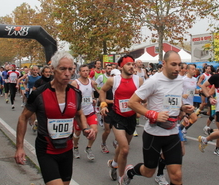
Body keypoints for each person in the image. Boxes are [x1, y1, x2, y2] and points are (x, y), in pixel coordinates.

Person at [15, 51, 96, 185]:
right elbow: (23, 118)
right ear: (53, 69)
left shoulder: (76, 93)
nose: (67, 73)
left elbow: (79, 113)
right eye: (63, 69)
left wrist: (85, 128)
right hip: (46, 150)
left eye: (70, 69)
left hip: (67, 150)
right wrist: (19, 147)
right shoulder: (39, 94)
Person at [120, 51, 194, 185]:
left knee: (176, 176)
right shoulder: (153, 81)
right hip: (154, 134)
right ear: (164, 64)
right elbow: (132, 102)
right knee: (149, 172)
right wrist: (153, 114)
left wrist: (182, 108)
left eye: (179, 65)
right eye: (173, 64)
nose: (177, 68)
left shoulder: (179, 81)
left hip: (172, 133)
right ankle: (130, 172)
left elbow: (174, 101)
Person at [99, 55, 143, 183]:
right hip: (117, 116)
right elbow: (102, 91)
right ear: (121, 66)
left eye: (132, 64)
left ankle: (113, 164)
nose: (131, 66)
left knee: (123, 146)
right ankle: (121, 178)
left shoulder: (138, 80)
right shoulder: (114, 80)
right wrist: (103, 105)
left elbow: (144, 96)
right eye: (128, 64)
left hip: (131, 117)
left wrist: (141, 105)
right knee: (124, 149)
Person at [70, 64, 99, 161]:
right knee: (77, 133)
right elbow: (71, 96)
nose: (86, 72)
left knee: (94, 131)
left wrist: (94, 99)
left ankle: (89, 148)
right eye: (83, 71)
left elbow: (95, 92)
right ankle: (75, 147)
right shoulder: (75, 83)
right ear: (79, 72)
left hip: (90, 111)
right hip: (79, 113)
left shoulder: (92, 82)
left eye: (87, 71)